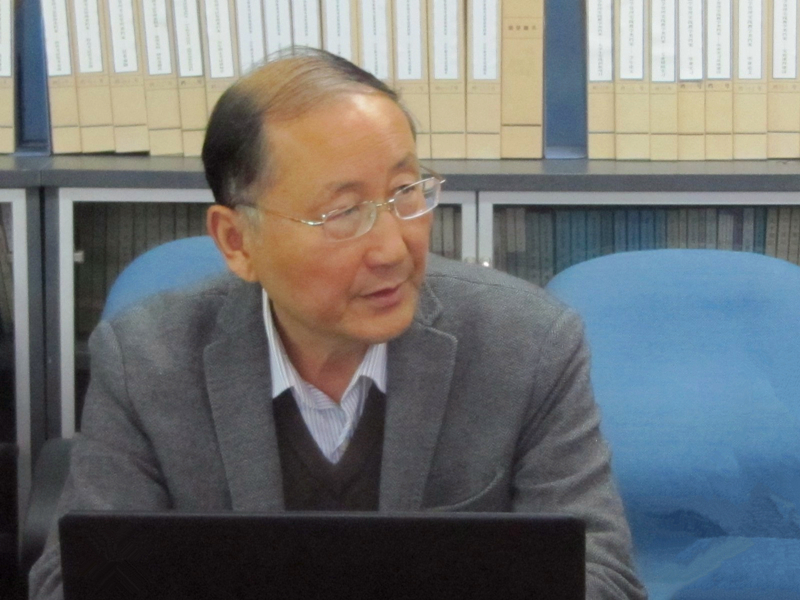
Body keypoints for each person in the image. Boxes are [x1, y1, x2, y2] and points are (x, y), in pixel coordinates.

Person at [30, 49, 646, 599]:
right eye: (344, 213)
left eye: (406, 192)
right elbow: (73, 582)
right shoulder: (147, 360)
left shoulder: (528, 345)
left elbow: (602, 577)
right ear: (237, 241)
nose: (394, 249)